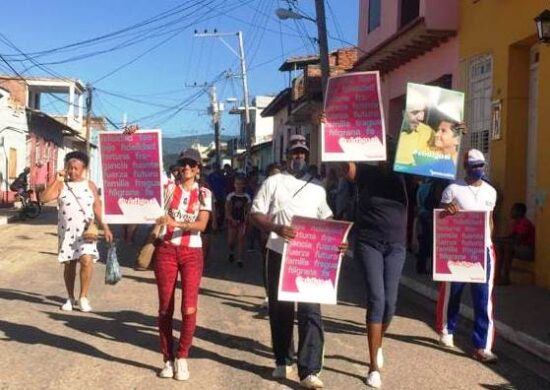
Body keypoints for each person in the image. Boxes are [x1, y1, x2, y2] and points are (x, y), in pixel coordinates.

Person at [251, 134, 333, 389]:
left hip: (309, 257)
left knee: (310, 311)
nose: (298, 157)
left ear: (307, 156)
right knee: (280, 310)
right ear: (286, 155)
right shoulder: (273, 182)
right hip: (278, 252)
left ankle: (309, 370)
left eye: (302, 153)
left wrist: (336, 241)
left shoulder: (318, 188)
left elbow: (327, 220)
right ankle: (282, 358)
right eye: (294, 152)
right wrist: (276, 228)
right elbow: (256, 214)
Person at [340, 139, 408, 389]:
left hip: (396, 246)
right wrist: (330, 131)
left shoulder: (406, 176)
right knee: (377, 299)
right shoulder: (367, 173)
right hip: (368, 244)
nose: (388, 157)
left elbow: (436, 166)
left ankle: (378, 342)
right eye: (385, 152)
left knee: (391, 303)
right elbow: (346, 168)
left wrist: (455, 135)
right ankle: (373, 367)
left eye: (393, 153)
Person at [153, 148, 212, 381]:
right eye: (183, 163)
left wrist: (174, 222)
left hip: (191, 252)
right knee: (165, 308)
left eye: (191, 164)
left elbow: (202, 225)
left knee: (188, 307)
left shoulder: (205, 193)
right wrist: (130, 135)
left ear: (197, 169)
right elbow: (142, 172)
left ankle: (182, 356)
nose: (186, 167)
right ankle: (167, 359)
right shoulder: (168, 189)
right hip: (166, 249)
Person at [435, 149, 499, 363]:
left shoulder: (491, 192)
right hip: (458, 250)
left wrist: (489, 241)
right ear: (466, 167)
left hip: (483, 251)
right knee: (453, 292)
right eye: (473, 166)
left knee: (483, 300)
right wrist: (447, 209)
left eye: (481, 165)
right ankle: (447, 328)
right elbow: (441, 216)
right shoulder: (452, 189)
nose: (478, 170)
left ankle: (482, 346)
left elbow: (490, 220)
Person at [40, 151, 113, 312]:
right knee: (70, 264)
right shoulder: (61, 184)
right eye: (69, 168)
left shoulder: (90, 185)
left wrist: (106, 228)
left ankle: (83, 297)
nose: (72, 171)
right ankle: (70, 297)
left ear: (84, 169)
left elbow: (97, 208)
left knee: (86, 260)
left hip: (86, 232)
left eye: (76, 168)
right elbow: (43, 199)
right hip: (67, 232)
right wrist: (56, 179)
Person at [495, 202, 535, 285]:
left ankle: (505, 277)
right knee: (500, 247)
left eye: (513, 210)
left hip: (527, 250)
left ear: (520, 212)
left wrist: (502, 241)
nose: (511, 212)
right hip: (518, 247)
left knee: (508, 248)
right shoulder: (516, 223)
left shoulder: (525, 223)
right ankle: (498, 277)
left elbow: (517, 240)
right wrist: (499, 240)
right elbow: (511, 237)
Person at [415, 178, 449, 274]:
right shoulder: (444, 186)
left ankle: (421, 267)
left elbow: (419, 202)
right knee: (434, 244)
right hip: (434, 217)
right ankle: (433, 268)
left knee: (424, 243)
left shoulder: (423, 187)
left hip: (424, 215)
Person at [394, 98, 432, 166]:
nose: (421, 118)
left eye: (423, 112)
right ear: (404, 113)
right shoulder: (393, 138)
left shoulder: (428, 131)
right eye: (415, 112)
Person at [225, 175, 251, 267]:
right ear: (234, 185)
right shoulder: (230, 196)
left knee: (241, 239)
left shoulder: (246, 197)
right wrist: (230, 219)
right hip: (232, 221)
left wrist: (247, 219)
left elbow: (248, 210)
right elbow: (227, 210)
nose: (239, 186)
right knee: (231, 241)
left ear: (243, 185)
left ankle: (240, 259)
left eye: (241, 184)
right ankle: (231, 251)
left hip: (242, 221)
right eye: (237, 184)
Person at [207, 163, 226, 229]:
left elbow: (224, 186)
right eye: (214, 167)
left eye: (217, 167)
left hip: (221, 196)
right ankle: (214, 225)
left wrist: (224, 195)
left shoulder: (222, 176)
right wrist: (212, 194)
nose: (216, 169)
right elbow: (209, 186)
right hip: (213, 196)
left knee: (221, 211)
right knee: (214, 211)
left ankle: (220, 225)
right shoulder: (210, 176)